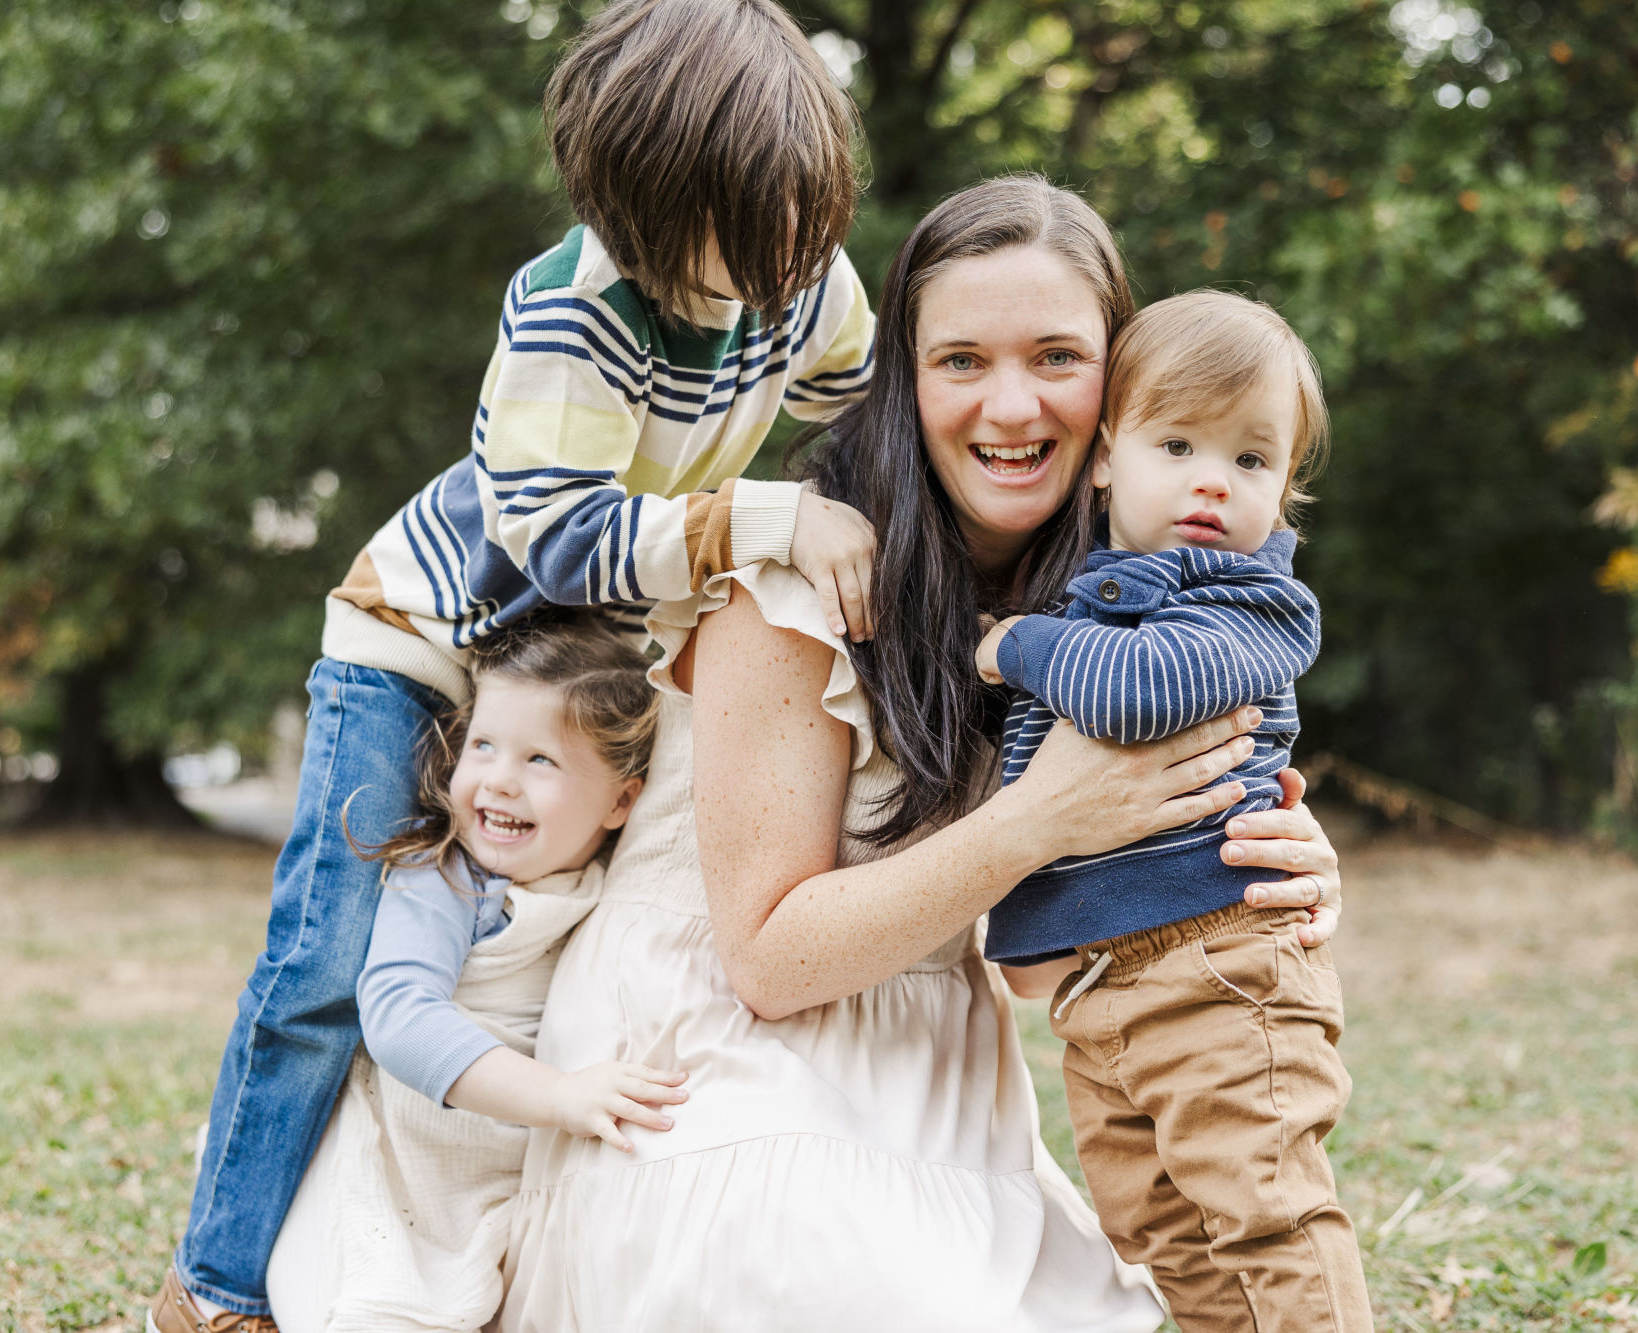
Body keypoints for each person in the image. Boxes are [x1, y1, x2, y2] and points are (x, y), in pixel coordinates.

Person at [497, 176, 1349, 1332]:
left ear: (1119, 398)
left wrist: (1252, 864)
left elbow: (1038, 960)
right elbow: (768, 963)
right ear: (904, 379)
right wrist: (1041, 820)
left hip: (933, 1078)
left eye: (1056, 357)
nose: (1010, 406)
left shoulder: (1115, 610)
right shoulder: (796, 584)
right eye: (959, 361)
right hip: (712, 1062)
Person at [150, 2, 876, 1326]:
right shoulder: (566, 316)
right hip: (423, 647)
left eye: (799, 222)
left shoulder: (807, 277)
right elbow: (556, 537)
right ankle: (216, 1287)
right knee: (328, 965)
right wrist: (769, 516)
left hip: (570, 675)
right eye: (735, 234)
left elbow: (858, 399)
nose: (775, 265)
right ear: (640, 206)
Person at [975, 290, 1370, 1331]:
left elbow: (1134, 690)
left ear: (1283, 492)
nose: (1211, 477)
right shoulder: (1087, 593)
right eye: (1177, 441)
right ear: (1105, 456)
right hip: (1099, 993)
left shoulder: (1250, 603)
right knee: (1164, 1238)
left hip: (1220, 963)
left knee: (1263, 1214)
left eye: (1250, 459)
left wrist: (1010, 644)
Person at [262, 614, 686, 1333]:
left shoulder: (610, 887)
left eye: (540, 760)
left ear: (622, 799)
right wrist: (558, 1094)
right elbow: (397, 1013)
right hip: (407, 1164)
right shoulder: (449, 878)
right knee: (387, 1298)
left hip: (504, 1184)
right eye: (483, 745)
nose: (498, 780)